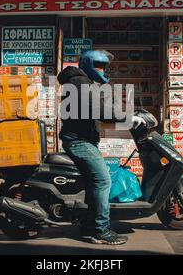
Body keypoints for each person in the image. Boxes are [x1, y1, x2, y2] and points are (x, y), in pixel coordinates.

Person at [57, 50, 146, 245]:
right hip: (79, 142)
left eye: (104, 66)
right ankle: (101, 230)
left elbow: (103, 107)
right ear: (88, 64)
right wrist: (127, 118)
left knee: (93, 184)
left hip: (83, 140)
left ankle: (89, 227)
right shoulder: (80, 83)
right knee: (103, 181)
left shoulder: (84, 82)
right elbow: (100, 111)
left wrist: (124, 114)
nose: (102, 69)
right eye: (99, 65)